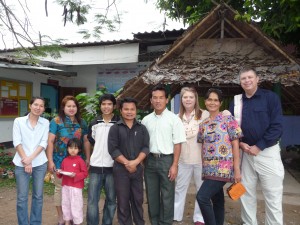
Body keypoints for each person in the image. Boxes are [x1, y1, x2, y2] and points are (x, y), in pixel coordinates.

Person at [229, 67, 284, 225]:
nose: (247, 81)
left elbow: (277, 126)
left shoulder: (270, 98)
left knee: (272, 194)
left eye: (250, 77)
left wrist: (259, 146)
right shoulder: (237, 102)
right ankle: (249, 222)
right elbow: (232, 128)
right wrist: (240, 143)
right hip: (246, 153)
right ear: (240, 82)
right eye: (243, 78)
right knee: (245, 193)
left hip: (267, 152)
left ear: (257, 79)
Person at [196, 88, 242, 225]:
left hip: (223, 168)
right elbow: (203, 146)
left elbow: (235, 144)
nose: (212, 103)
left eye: (216, 100)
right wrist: (203, 167)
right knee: (217, 201)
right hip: (208, 169)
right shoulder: (203, 124)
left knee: (202, 197)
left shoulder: (228, 119)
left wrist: (237, 169)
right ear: (205, 102)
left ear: (220, 103)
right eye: (210, 99)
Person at [141, 84, 186, 225]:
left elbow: (178, 143)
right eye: (155, 98)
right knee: (152, 195)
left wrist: (174, 165)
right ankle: (154, 222)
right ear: (151, 100)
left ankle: (165, 223)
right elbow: (143, 143)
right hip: (149, 161)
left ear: (167, 100)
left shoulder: (174, 119)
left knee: (167, 195)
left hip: (167, 161)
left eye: (161, 98)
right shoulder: (146, 120)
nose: (158, 101)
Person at [47, 95, 90, 225]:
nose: (71, 108)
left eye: (74, 106)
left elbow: (86, 140)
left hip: (77, 163)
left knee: (75, 191)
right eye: (68, 106)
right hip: (60, 162)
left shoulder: (82, 122)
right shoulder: (56, 121)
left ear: (77, 108)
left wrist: (88, 157)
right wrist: (50, 161)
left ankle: (73, 217)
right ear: (63, 108)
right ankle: (62, 217)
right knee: (60, 190)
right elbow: (50, 141)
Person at [108, 97, 150, 225]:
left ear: (136, 111)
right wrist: (127, 163)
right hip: (121, 170)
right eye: (126, 109)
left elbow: (146, 147)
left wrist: (136, 162)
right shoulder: (115, 128)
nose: (129, 112)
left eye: (132, 109)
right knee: (123, 200)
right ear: (121, 110)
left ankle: (139, 222)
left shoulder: (142, 128)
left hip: (137, 170)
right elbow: (113, 150)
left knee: (138, 199)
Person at [12, 97, 49, 225]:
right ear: (30, 105)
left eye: (41, 106)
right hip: (21, 163)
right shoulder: (19, 121)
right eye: (35, 104)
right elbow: (17, 142)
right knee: (22, 197)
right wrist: (26, 161)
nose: (38, 108)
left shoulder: (45, 123)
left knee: (38, 196)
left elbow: (44, 143)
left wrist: (30, 159)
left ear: (44, 109)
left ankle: (35, 222)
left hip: (40, 163)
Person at [174, 87, 207, 225]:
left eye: (191, 97)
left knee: (201, 190)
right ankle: (176, 216)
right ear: (181, 100)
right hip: (183, 160)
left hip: (201, 160)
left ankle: (199, 218)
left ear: (196, 99)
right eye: (185, 97)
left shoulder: (204, 115)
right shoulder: (176, 118)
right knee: (179, 189)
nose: (188, 100)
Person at [86, 93, 119, 225]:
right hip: (95, 167)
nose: (106, 107)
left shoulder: (118, 123)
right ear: (100, 106)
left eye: (109, 104)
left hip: (113, 167)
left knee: (111, 199)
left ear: (114, 106)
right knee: (92, 200)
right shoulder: (94, 123)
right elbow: (91, 140)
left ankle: (107, 222)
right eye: (104, 104)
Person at [56, 138, 88, 225]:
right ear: (67, 148)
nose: (73, 150)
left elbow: (85, 173)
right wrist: (59, 172)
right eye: (70, 148)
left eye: (75, 148)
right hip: (65, 186)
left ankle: (77, 222)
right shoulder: (65, 160)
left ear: (79, 149)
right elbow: (61, 174)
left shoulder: (80, 161)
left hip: (76, 188)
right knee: (65, 204)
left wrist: (76, 175)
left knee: (76, 205)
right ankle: (67, 221)